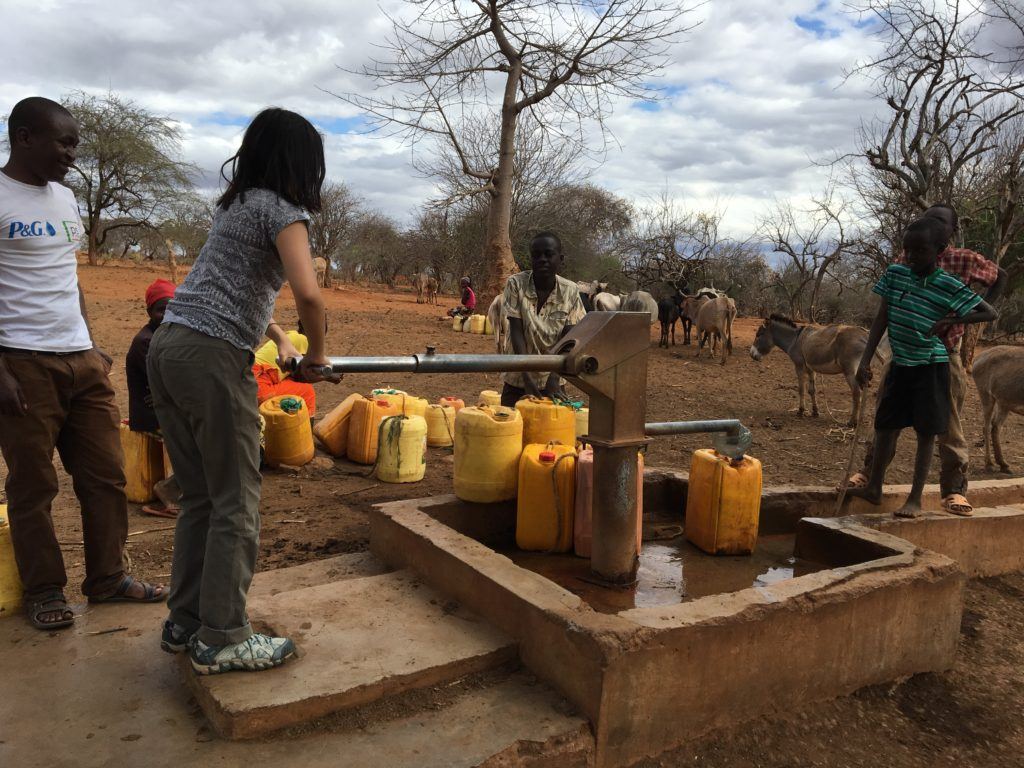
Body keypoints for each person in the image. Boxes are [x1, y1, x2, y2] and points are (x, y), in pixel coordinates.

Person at [148, 107, 336, 674]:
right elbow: (310, 296)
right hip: (209, 359)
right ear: (303, 162)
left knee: (202, 496)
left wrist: (278, 338)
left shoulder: (238, 206)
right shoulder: (284, 212)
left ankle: (185, 621)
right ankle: (224, 636)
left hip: (169, 347)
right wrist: (318, 356)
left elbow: (228, 288)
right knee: (236, 498)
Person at [0, 96, 166, 631]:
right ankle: (45, 589)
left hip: (81, 361)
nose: (72, 154)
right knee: (33, 486)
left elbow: (68, 279)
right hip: (22, 362)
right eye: (63, 142)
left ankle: (108, 580)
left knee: (106, 476)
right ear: (23, 137)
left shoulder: (67, 199)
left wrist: (92, 345)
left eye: (75, 144)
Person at [846, 203, 1007, 516]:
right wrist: (868, 358)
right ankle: (871, 476)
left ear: (948, 236)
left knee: (944, 424)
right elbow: (884, 311)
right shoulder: (906, 258)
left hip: (941, 355)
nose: (912, 253)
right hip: (903, 353)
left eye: (939, 222)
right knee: (885, 418)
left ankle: (953, 490)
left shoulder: (963, 260)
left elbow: (999, 279)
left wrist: (956, 319)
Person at [499, 232, 586, 408]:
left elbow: (570, 338)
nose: (542, 259)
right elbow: (516, 331)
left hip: (553, 382)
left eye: (548, 254)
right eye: (536, 255)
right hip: (517, 379)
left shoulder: (570, 291)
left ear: (560, 259)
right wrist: (526, 377)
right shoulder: (516, 284)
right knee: (510, 431)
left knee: (552, 432)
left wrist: (554, 376)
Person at [126, 278, 182, 517]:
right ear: (149, 312)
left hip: (166, 406)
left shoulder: (167, 335)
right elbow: (167, 382)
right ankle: (169, 491)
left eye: (171, 309)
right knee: (198, 441)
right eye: (160, 310)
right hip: (152, 414)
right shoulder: (145, 341)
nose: (166, 314)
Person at [252, 319, 318, 415]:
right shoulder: (304, 340)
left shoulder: (289, 335)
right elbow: (307, 373)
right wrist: (330, 376)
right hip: (259, 386)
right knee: (307, 391)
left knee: (291, 381)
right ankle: (306, 429)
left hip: (248, 379)